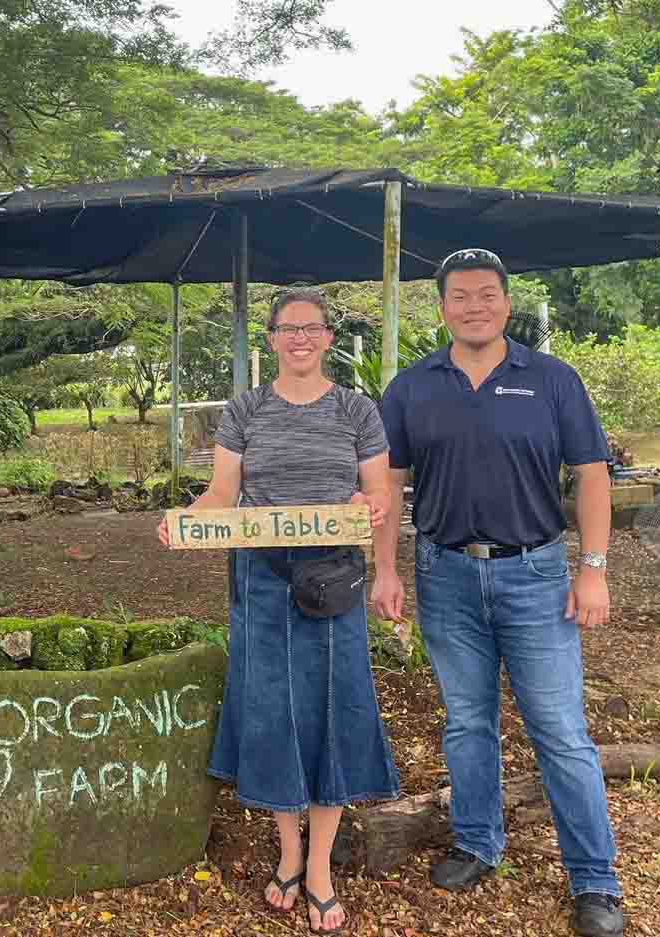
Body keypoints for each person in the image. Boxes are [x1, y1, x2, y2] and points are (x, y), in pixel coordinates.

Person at [371, 248, 624, 937]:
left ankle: (594, 879)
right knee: (466, 722)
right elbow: (387, 484)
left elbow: (592, 473)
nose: (473, 306)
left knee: (560, 731)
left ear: (505, 303)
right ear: (442, 306)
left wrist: (593, 566)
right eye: (459, 295)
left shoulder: (550, 379)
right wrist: (384, 568)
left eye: (486, 294)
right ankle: (478, 843)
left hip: (535, 576)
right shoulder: (411, 386)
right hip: (444, 573)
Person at [158, 288, 398, 935]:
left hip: (333, 582)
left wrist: (376, 527)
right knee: (271, 712)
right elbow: (220, 493)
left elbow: (378, 492)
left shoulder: (356, 409)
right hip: (260, 582)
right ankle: (285, 849)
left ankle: (318, 865)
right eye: (286, 328)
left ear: (327, 338)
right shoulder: (245, 409)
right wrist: (187, 519)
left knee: (327, 713)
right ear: (270, 339)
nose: (299, 338)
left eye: (310, 328)